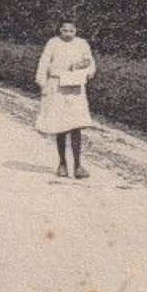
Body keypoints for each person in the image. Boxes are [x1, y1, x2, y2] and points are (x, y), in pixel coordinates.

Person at [35, 20, 96, 178]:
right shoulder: (53, 43)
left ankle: (77, 166)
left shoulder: (82, 43)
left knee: (76, 126)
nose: (68, 33)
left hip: (75, 87)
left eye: (71, 30)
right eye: (65, 30)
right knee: (60, 126)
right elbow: (44, 62)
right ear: (60, 30)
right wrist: (43, 83)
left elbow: (90, 61)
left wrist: (88, 70)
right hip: (57, 86)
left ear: (76, 31)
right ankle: (62, 164)